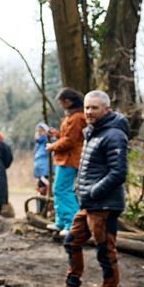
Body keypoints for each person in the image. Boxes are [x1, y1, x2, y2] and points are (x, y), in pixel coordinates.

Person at [53, 90, 128, 287]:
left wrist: (93, 191)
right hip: (88, 205)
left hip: (104, 205)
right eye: (86, 107)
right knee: (71, 241)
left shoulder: (114, 134)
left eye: (94, 108)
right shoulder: (92, 132)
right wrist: (82, 192)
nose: (89, 111)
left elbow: (118, 173)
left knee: (106, 254)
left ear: (106, 109)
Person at [45, 88, 86, 236]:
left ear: (68, 101)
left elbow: (70, 141)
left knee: (62, 190)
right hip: (64, 159)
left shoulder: (77, 118)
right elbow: (66, 136)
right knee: (58, 190)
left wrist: (52, 147)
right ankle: (61, 221)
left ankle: (73, 224)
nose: (60, 105)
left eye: (61, 102)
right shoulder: (72, 117)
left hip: (69, 159)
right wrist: (56, 134)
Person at [34, 123, 51, 214]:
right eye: (38, 131)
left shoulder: (47, 142)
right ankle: (40, 211)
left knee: (46, 191)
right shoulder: (38, 143)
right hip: (40, 172)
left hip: (46, 172)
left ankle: (44, 212)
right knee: (40, 191)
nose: (39, 133)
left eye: (41, 131)